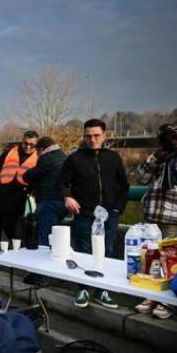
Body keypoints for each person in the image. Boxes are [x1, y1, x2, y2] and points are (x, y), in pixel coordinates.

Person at [58, 118, 129, 309]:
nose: (92, 139)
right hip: (84, 213)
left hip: (109, 214)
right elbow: (62, 182)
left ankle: (102, 289)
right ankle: (83, 289)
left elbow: (124, 185)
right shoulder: (75, 158)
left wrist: (117, 209)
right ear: (84, 136)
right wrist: (67, 197)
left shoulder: (113, 157)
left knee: (107, 251)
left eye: (96, 135)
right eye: (88, 136)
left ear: (104, 136)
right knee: (83, 251)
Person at [134, 124, 177, 319]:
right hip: (152, 217)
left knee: (174, 264)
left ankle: (167, 302)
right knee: (151, 262)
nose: (171, 141)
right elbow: (141, 177)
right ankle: (151, 296)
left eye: (174, 136)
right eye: (165, 137)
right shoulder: (161, 157)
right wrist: (155, 156)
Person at [0, 130, 39, 270]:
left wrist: (26, 191)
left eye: (32, 145)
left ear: (36, 145)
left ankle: (17, 257)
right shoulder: (10, 152)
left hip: (17, 198)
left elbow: (38, 179)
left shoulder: (39, 158)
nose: (28, 147)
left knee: (12, 229)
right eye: (25, 143)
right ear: (22, 141)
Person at [23, 136, 68, 246]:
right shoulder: (63, 156)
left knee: (45, 238)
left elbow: (30, 175)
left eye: (37, 151)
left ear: (42, 149)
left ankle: (43, 261)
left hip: (48, 202)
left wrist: (26, 175)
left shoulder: (46, 158)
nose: (37, 154)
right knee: (55, 237)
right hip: (63, 202)